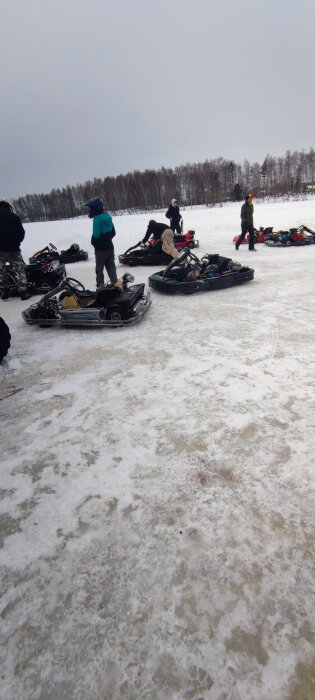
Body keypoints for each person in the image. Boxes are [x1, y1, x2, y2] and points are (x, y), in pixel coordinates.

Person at [84, 197, 121, 289]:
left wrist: (95, 242)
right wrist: (107, 239)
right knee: (111, 267)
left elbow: (96, 235)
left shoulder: (97, 219)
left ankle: (100, 286)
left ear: (94, 208)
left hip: (100, 250)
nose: (89, 210)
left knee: (99, 270)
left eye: (90, 208)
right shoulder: (107, 215)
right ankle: (115, 284)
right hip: (110, 247)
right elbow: (113, 232)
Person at [0, 199, 31, 300]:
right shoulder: (14, 217)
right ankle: (23, 292)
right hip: (14, 249)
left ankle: (4, 292)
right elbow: (21, 232)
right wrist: (17, 241)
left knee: (1, 270)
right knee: (19, 269)